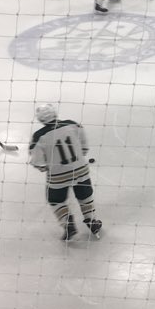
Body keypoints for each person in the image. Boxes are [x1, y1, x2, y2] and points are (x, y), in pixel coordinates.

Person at [29, 103, 102, 241]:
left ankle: (68, 225)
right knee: (85, 196)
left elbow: (38, 163)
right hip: (81, 170)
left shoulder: (39, 136)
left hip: (57, 176)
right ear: (56, 113)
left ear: (40, 120)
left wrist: (45, 167)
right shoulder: (73, 125)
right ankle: (92, 222)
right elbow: (84, 148)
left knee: (55, 200)